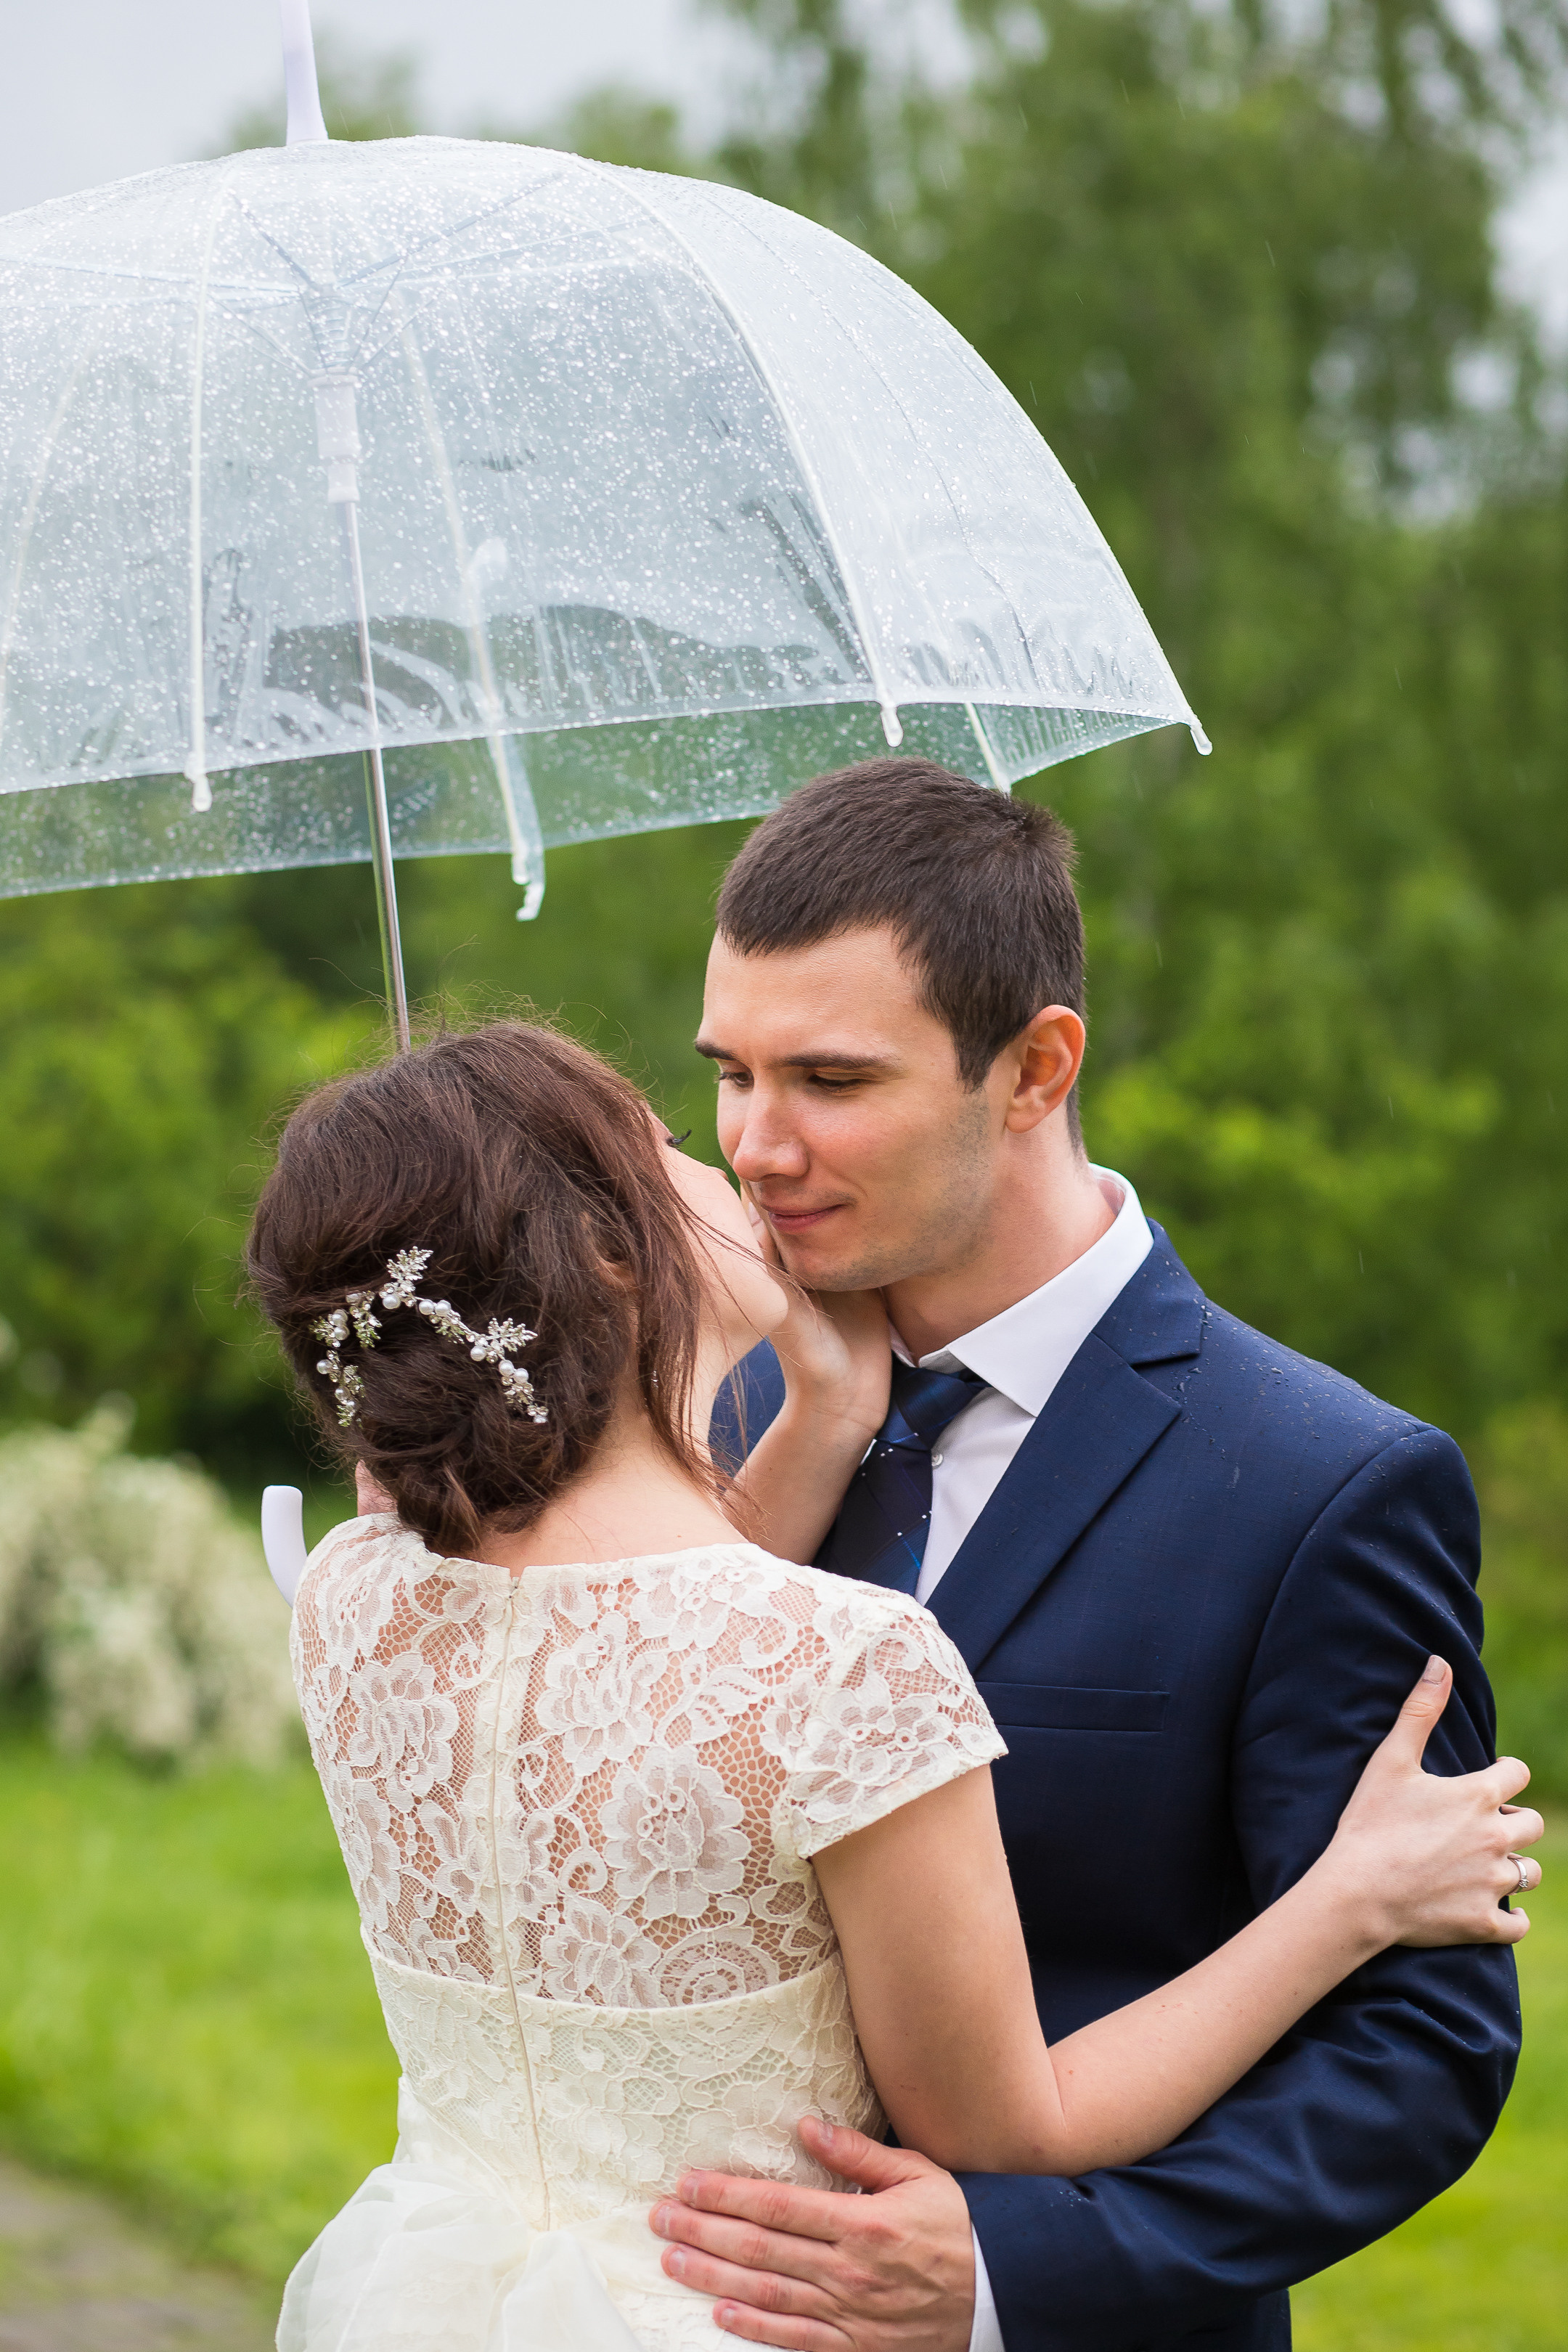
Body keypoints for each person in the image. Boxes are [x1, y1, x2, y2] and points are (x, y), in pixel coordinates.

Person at [246, 1016, 1539, 2352]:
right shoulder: (846, 1662)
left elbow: (649, 1677)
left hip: (442, 2293)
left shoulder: (354, 1591)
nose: (746, 1156)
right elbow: (1004, 2128)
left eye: (824, 1079)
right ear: (607, 1254)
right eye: (689, 1132)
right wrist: (1349, 1900)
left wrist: (821, 1412)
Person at [644, 758, 1537, 2352]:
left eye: (832, 1084)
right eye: (732, 1074)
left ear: (1037, 1069)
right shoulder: (719, 1398)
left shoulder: (1329, 1484)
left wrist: (1010, 2276)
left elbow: (1421, 2049)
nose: (757, 1149)